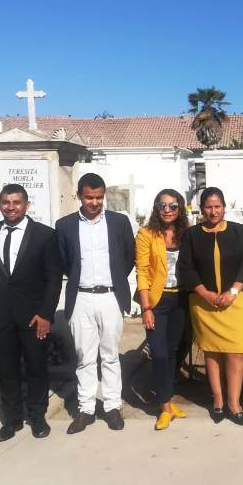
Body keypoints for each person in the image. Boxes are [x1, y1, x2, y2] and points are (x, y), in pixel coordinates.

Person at [0, 184, 62, 442]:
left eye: (16, 202)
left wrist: (46, 314)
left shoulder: (45, 235)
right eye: (6, 202)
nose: (11, 207)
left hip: (34, 316)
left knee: (36, 368)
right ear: (0, 204)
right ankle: (12, 419)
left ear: (27, 205)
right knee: (7, 370)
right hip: (0, 315)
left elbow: (54, 279)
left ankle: (37, 417)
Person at [55, 173, 135, 434]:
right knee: (85, 357)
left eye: (99, 197)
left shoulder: (119, 222)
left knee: (110, 355)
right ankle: (86, 409)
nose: (94, 202)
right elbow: (64, 260)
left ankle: (112, 406)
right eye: (89, 197)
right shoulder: (65, 225)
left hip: (111, 296)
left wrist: (114, 279)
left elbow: (128, 257)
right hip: (81, 297)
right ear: (79, 196)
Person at [178, 187, 243, 426]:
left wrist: (233, 291)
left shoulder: (237, 230)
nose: (213, 211)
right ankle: (218, 401)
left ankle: (235, 404)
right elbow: (185, 267)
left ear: (224, 207)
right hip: (204, 303)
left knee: (236, 352)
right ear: (201, 209)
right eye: (209, 207)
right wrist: (205, 293)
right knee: (212, 352)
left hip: (234, 301)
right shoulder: (192, 234)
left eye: (217, 206)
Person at [136, 189, 190, 430]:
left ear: (180, 209)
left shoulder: (186, 233)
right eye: (163, 205)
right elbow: (142, 271)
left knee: (172, 353)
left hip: (181, 299)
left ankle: (167, 400)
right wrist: (146, 307)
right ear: (156, 208)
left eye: (173, 206)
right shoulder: (146, 234)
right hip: (157, 301)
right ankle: (164, 407)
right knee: (158, 353)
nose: (167, 210)